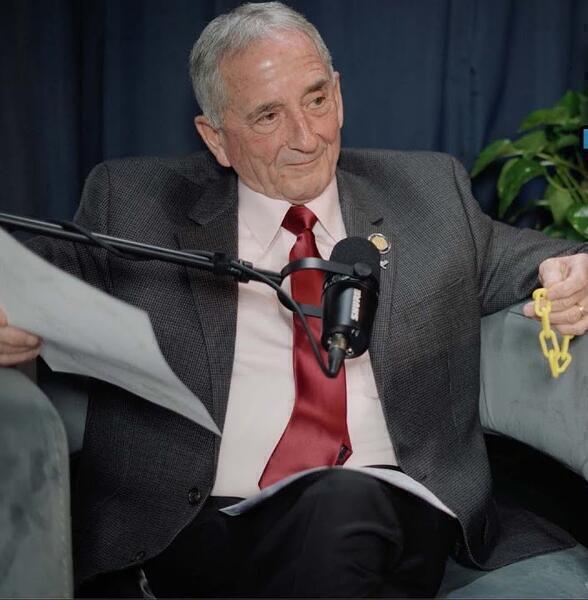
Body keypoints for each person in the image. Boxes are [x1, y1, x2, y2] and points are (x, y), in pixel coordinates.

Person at [1, 2, 588, 597]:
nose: (306, 138)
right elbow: (24, 276)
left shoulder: (428, 195)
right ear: (216, 138)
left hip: (392, 511)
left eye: (316, 100)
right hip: (196, 526)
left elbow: (549, 256)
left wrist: (577, 271)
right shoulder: (135, 204)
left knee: (343, 504)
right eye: (268, 116)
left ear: (340, 95)